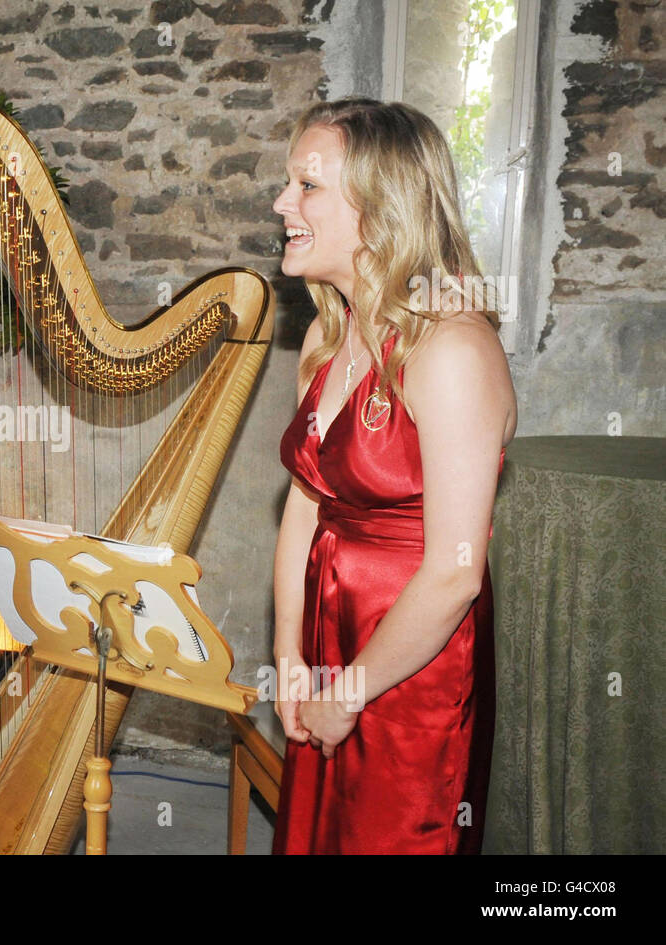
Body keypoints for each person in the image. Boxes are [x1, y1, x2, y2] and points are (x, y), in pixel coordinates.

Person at [269, 98, 517, 854]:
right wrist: (287, 656)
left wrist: (351, 688)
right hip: (327, 633)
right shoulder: (325, 334)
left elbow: (453, 572)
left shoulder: (452, 351)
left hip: (415, 660)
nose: (282, 203)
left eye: (307, 186)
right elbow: (307, 507)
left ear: (379, 209)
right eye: (289, 184)